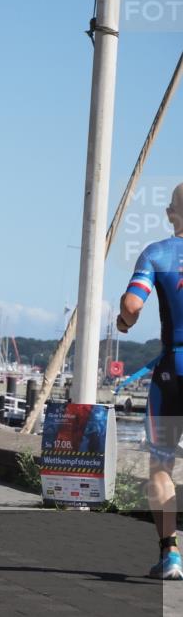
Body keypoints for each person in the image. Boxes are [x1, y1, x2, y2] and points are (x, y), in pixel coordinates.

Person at [116, 182, 183, 580]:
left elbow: (132, 304)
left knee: (161, 464)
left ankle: (171, 554)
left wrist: (124, 323)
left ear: (173, 213)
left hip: (173, 368)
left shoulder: (157, 253)